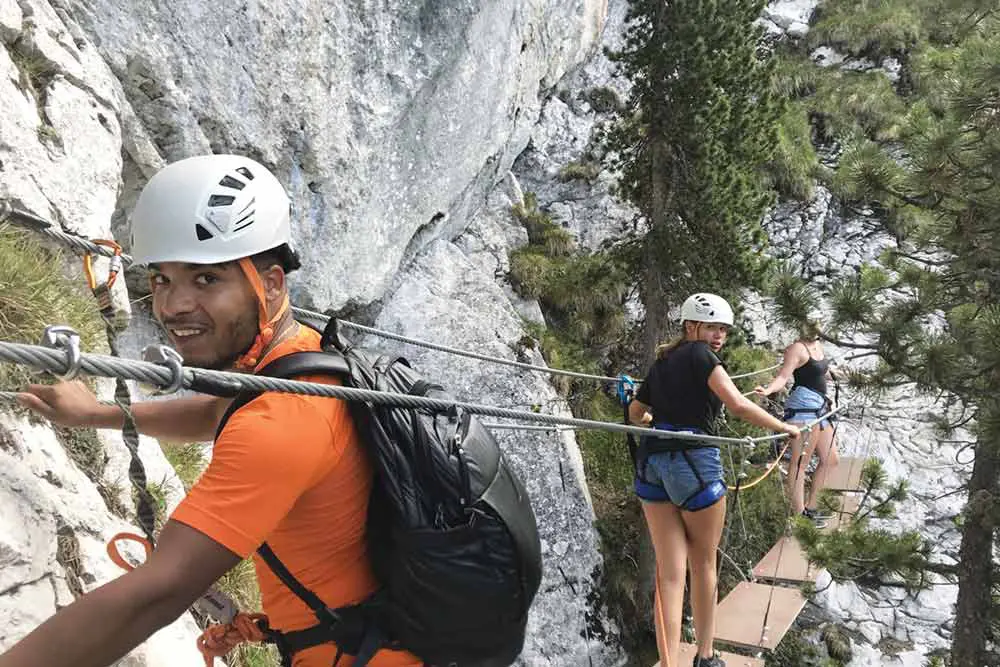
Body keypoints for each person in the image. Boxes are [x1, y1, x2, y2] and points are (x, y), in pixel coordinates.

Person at [2, 154, 420, 667]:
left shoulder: (284, 423)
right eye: (162, 279)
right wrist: (98, 415)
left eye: (205, 280)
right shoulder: (302, 358)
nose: (173, 305)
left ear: (270, 284)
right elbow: (220, 413)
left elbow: (159, 592)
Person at [628, 293, 802, 667]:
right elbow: (737, 404)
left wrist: (653, 423)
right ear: (692, 326)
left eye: (723, 329)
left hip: (652, 465)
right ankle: (705, 657)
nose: (719, 335)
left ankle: (669, 662)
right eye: (712, 328)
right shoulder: (702, 356)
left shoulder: (662, 362)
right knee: (703, 564)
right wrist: (782, 428)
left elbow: (635, 412)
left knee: (670, 576)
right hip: (694, 465)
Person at [754, 320, 840, 526]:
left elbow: (820, 371)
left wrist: (847, 377)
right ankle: (800, 515)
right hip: (803, 408)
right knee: (800, 462)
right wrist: (767, 390)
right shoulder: (796, 349)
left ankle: (811, 508)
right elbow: (784, 376)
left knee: (831, 459)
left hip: (820, 407)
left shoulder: (817, 345)